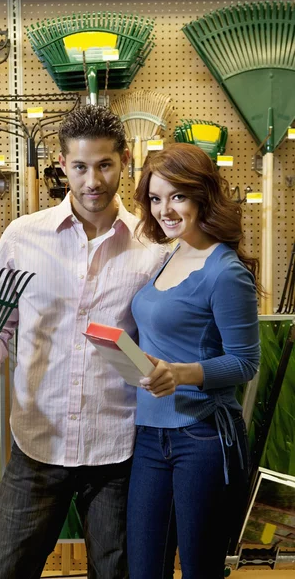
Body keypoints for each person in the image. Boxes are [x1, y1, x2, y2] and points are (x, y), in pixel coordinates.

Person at [0, 105, 167, 579]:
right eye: (80, 167)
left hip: (118, 451)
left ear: (124, 160)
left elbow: (163, 338)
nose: (93, 181)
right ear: (62, 165)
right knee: (0, 571)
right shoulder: (23, 238)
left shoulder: (154, 243)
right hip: (38, 447)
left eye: (104, 165)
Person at [126, 142, 261, 579]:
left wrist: (181, 374)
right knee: (145, 568)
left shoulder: (225, 271)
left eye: (177, 196)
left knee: (200, 570)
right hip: (150, 436)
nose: (165, 209)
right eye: (155, 197)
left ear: (203, 195)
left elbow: (245, 362)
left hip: (202, 437)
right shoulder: (170, 256)